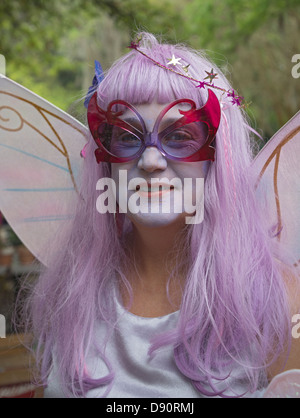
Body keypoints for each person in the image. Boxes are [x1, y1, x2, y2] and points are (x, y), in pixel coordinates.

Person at [20, 32, 299, 398]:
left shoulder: (275, 298)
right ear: (104, 159)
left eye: (180, 136)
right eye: (125, 136)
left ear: (218, 155)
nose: (150, 161)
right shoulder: (72, 289)